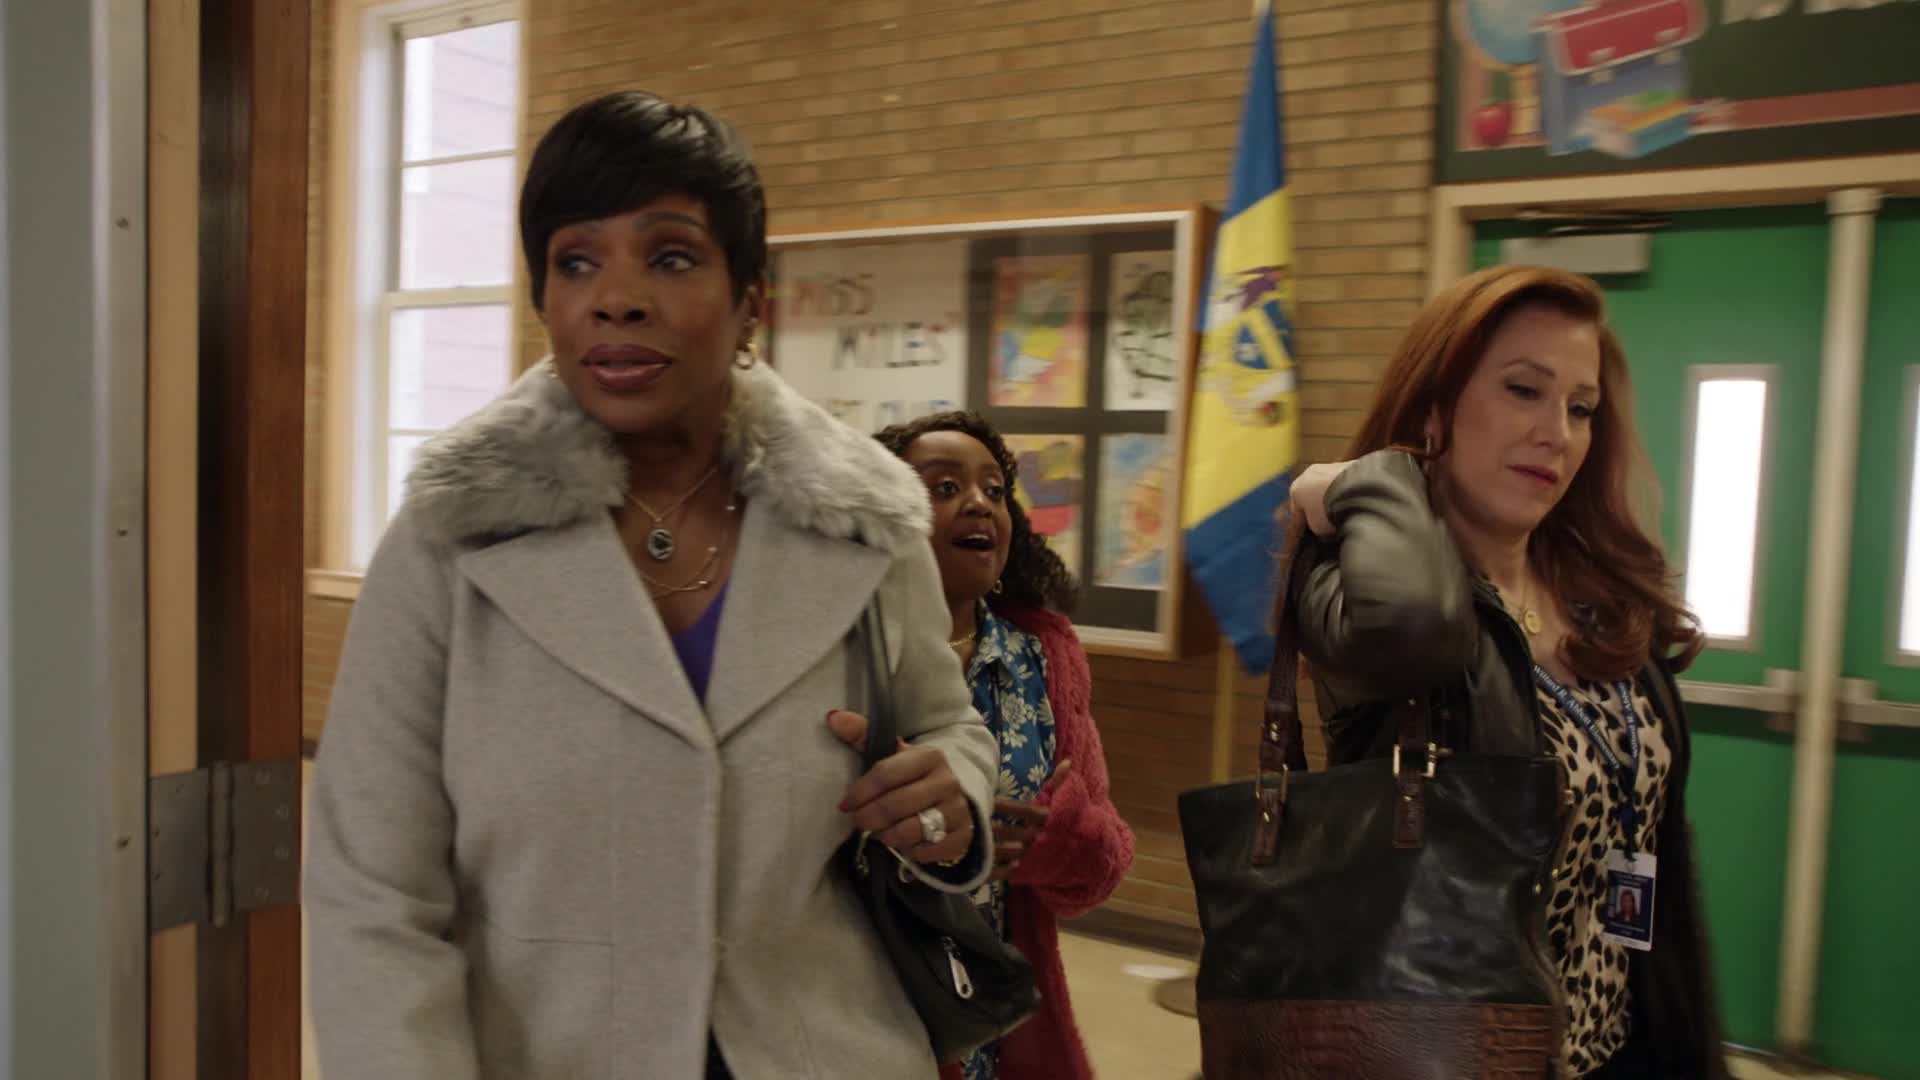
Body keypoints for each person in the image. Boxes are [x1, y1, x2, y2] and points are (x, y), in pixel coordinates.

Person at [304, 91, 999, 1080]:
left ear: (752, 299)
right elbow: (371, 889)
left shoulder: (864, 521)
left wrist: (951, 793)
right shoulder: (450, 537)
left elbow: (947, 726)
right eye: (576, 261)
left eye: (670, 257)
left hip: (822, 1046)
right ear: (545, 300)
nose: (616, 298)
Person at [1282, 265, 1729, 1079]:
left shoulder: (1593, 593)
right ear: (1435, 406)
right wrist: (1371, 480)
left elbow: (1660, 849)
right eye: (1524, 391)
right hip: (1450, 1054)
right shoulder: (1364, 585)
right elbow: (1414, 630)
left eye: (1581, 408)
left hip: (1621, 1045)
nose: (1557, 433)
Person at [876, 412, 1135, 1080]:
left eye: (994, 490)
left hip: (996, 1021)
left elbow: (1105, 857)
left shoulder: (1043, 656)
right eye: (944, 487)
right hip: (867, 1009)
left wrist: (1059, 841)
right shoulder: (849, 652)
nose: (978, 504)